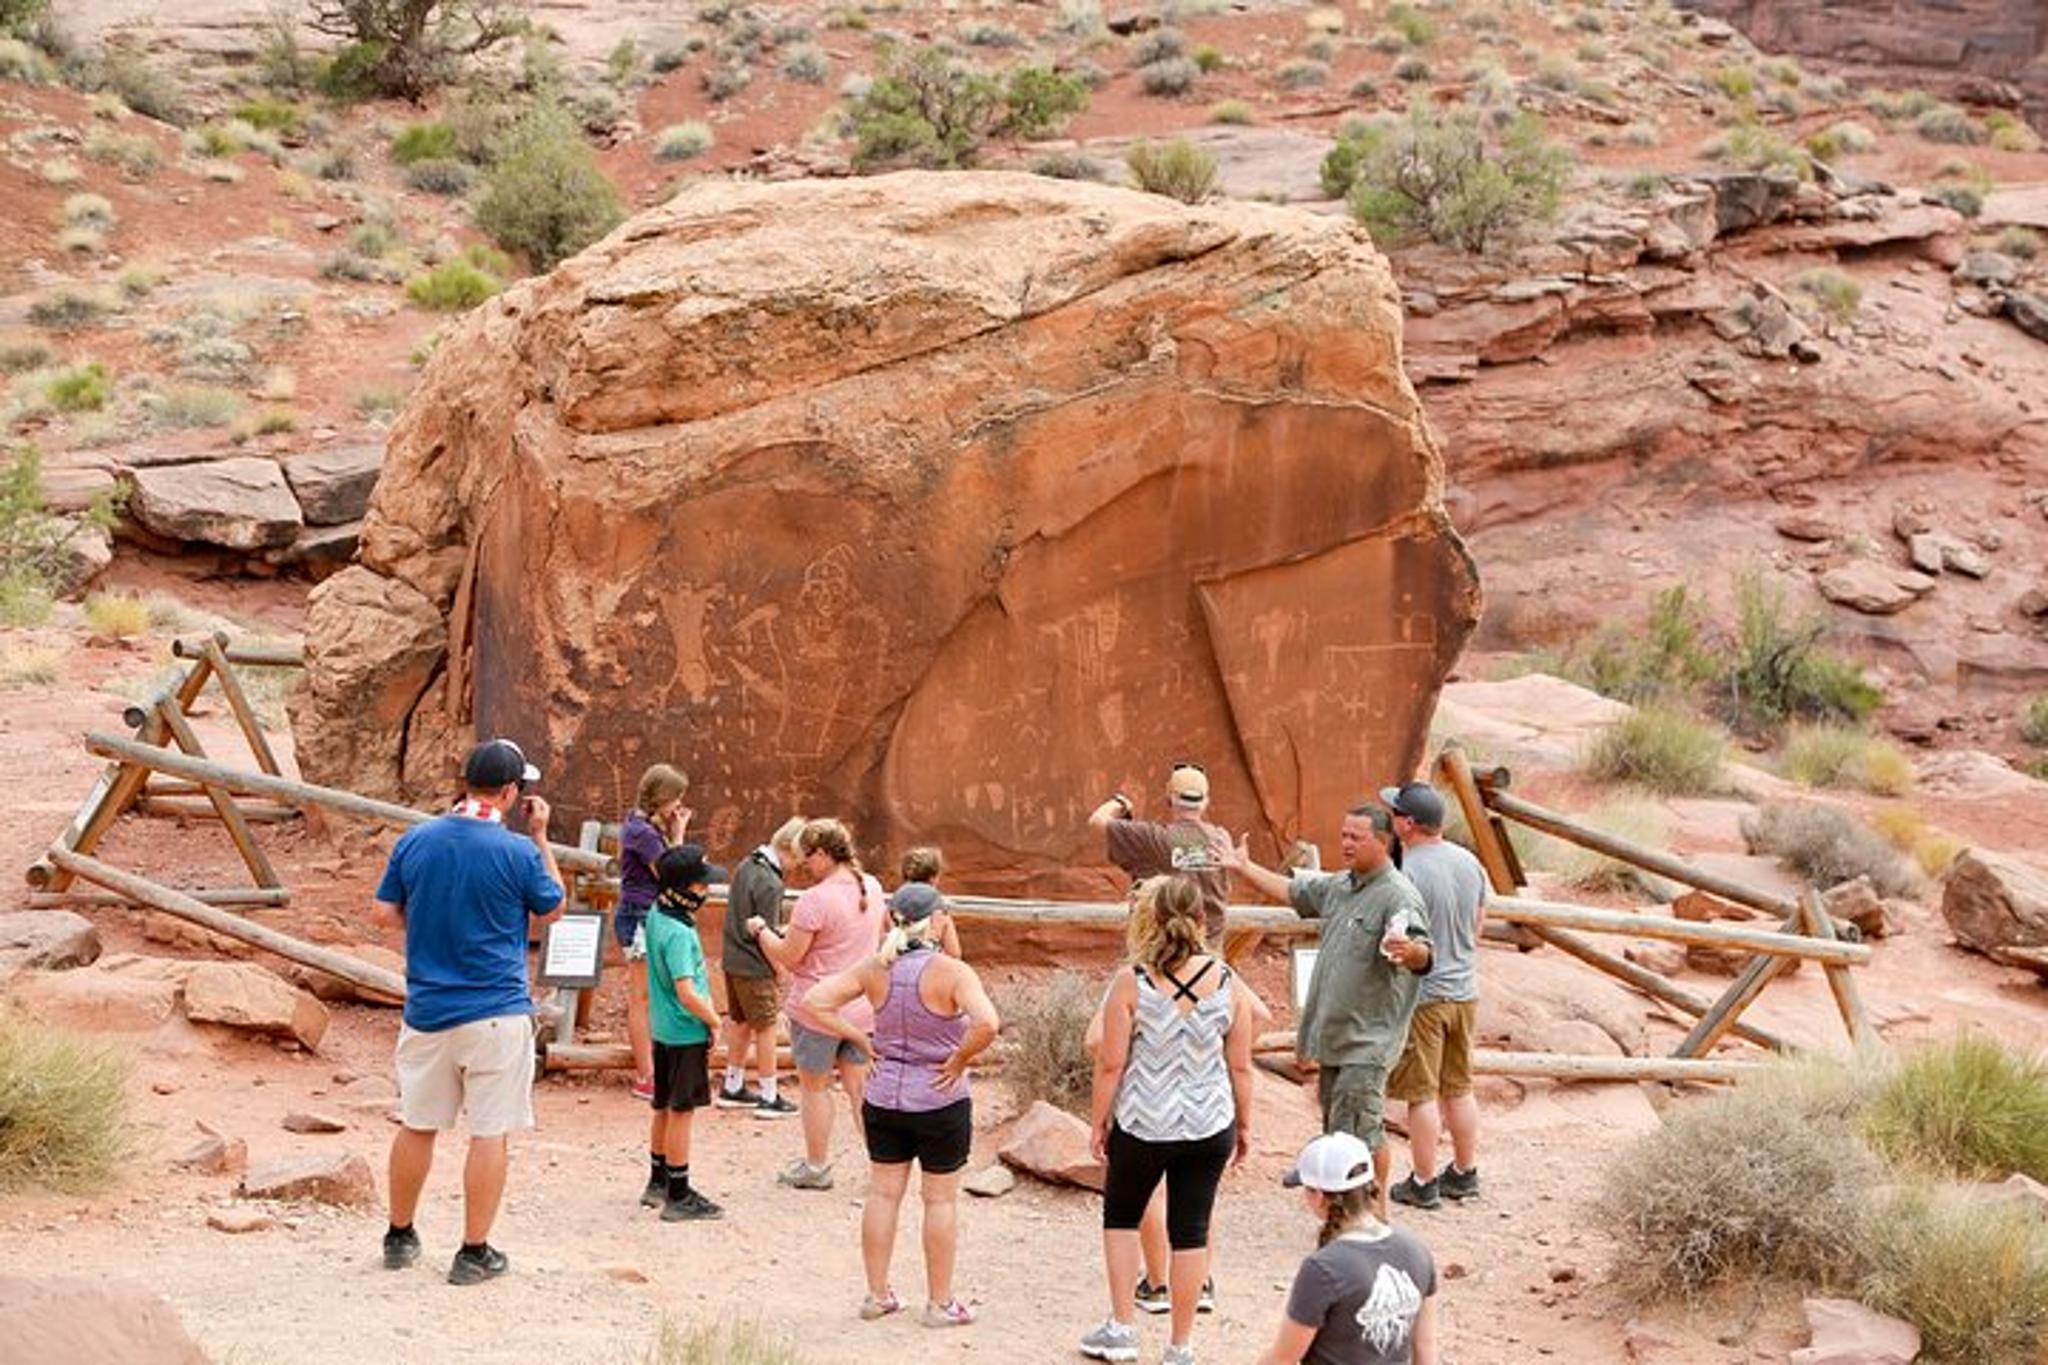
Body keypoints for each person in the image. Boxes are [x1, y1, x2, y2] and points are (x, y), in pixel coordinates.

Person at [374, 738, 564, 1286]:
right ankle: (473, 1249)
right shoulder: (517, 851)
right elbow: (551, 906)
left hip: (428, 1007)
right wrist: (541, 835)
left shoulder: (417, 839)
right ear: (510, 792)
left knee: (418, 1123)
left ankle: (399, 1234)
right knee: (489, 1130)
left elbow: (384, 912)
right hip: (495, 1009)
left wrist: (430, 919)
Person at [1215, 804, 1430, 1223]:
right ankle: (1348, 1211)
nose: (1346, 843)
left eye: (1357, 837)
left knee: (1363, 1130)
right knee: (1340, 1128)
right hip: (1335, 1039)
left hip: (1368, 1041)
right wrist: (1243, 867)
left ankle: (1374, 1216)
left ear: (1382, 843)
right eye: (1344, 834)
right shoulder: (1341, 887)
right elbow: (1293, 891)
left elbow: (1423, 952)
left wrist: (1410, 952)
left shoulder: (1399, 895)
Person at [805, 882, 1000, 1328]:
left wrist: (860, 1039)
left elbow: (817, 1001)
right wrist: (958, 1058)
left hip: (884, 1094)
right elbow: (987, 1023)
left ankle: (877, 1295)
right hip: (939, 1097)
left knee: (883, 1194)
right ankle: (940, 1304)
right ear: (935, 920)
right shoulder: (952, 972)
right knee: (939, 1201)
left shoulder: (876, 968)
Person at [1081, 875, 1254, 1365]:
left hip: (1144, 1119)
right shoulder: (1227, 981)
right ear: (1200, 921)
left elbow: (1110, 1062)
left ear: (1149, 921)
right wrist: (1244, 1124)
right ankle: (1180, 1346)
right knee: (1191, 1229)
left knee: (1121, 1217)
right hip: (1208, 1119)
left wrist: (1099, 1122)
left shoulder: (1131, 982)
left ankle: (1122, 1330)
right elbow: (1240, 1064)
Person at [747, 817, 886, 1191]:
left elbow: (790, 956)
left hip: (817, 1009)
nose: (804, 865)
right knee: (860, 1088)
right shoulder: (871, 887)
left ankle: (817, 1165)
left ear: (823, 854)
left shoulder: (815, 900)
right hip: (859, 1008)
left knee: (815, 1088)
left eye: (808, 857)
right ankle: (882, 1166)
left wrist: (761, 932)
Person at [1379, 782, 1488, 1212]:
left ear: (1408, 823)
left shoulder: (1409, 872)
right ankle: (1464, 1171)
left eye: (1394, 814)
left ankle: (1423, 1181)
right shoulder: (1470, 862)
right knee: (1459, 1087)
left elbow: (1397, 936)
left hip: (1425, 994)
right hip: (1465, 989)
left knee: (1421, 1093)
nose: (1391, 820)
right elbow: (1479, 924)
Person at [1257, 1132, 1439, 1365]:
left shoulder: (1323, 1268)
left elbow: (1282, 1359)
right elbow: (1425, 1347)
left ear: (1320, 1196)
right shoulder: (1416, 1249)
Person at [642, 843, 728, 1221]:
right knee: (682, 1110)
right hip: (684, 1031)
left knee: (663, 1105)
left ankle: (657, 1180)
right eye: (700, 885)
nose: (705, 890)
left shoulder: (656, 913)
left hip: (662, 1028)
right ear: (684, 888)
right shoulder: (678, 932)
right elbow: (687, 991)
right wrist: (713, 1020)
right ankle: (679, 1192)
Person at [717, 815, 805, 1118]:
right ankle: (769, 1094)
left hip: (732, 958)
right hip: (755, 964)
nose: (798, 866)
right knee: (767, 1028)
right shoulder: (771, 882)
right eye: (798, 858)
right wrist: (780, 968)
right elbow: (765, 934)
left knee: (741, 1023)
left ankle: (733, 1085)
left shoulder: (746, 865)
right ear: (788, 850)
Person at [1089, 762, 1233, 945]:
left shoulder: (1152, 837)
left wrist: (1120, 802)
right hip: (1208, 955)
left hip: (1158, 956)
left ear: (1170, 799)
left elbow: (1097, 820)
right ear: (1205, 802)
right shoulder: (1221, 838)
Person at [617, 765, 692, 1102]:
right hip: (640, 917)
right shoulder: (643, 833)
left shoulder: (642, 827)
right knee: (641, 997)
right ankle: (646, 1075)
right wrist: (679, 835)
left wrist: (675, 834)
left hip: (648, 916)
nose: (678, 804)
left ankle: (653, 1070)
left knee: (652, 995)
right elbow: (671, 874)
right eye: (675, 796)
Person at [898, 846, 962, 958]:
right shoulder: (940, 912)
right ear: (933, 878)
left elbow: (880, 944)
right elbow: (954, 954)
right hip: (929, 970)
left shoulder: (892, 908)